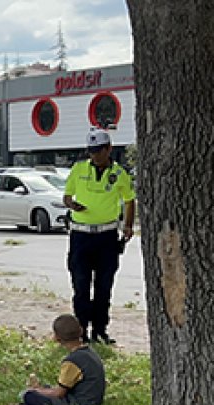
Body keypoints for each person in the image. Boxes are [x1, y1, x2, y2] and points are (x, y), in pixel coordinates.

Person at [62, 129, 136, 345]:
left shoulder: (120, 174)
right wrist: (72, 204)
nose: (94, 156)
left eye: (98, 151)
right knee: (81, 285)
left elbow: (130, 200)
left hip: (107, 237)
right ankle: (82, 329)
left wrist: (128, 225)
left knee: (104, 286)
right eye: (91, 151)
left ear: (108, 149)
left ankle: (100, 330)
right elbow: (67, 195)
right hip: (81, 235)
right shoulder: (79, 169)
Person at [18, 314, 106, 405]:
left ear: (56, 338)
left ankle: (34, 404)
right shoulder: (90, 352)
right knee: (46, 388)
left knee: (29, 396)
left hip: (81, 404)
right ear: (81, 330)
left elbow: (59, 393)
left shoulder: (72, 361)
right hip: (94, 400)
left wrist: (36, 390)